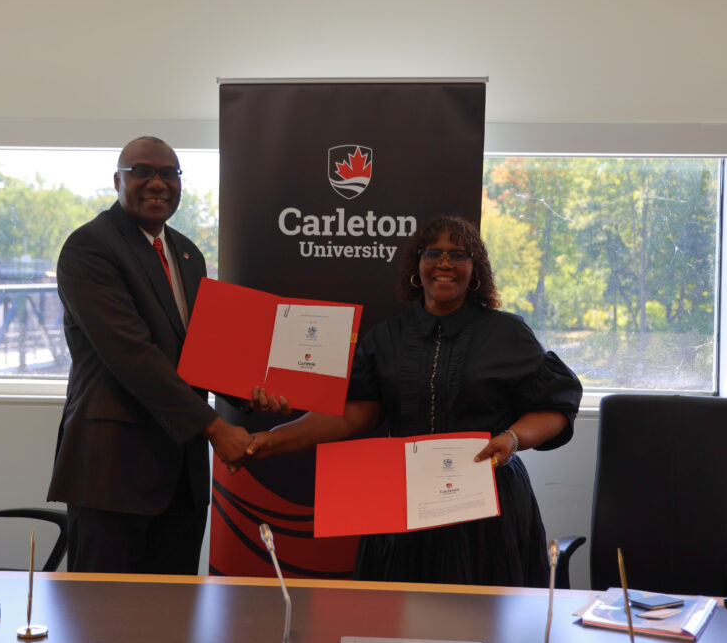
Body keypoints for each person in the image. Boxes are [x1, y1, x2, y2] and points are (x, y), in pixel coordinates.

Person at [247, 214, 582, 586]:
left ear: (475, 270)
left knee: (485, 623)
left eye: (458, 255)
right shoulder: (386, 337)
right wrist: (274, 438)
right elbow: (356, 412)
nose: (444, 264)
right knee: (399, 616)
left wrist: (513, 439)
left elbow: (555, 405)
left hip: (487, 500)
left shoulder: (508, 332)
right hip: (402, 497)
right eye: (433, 253)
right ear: (416, 265)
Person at [47, 136, 253, 574]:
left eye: (168, 173)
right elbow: (132, 355)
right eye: (143, 171)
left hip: (181, 474)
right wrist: (216, 427)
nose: (157, 183)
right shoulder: (90, 248)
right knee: (103, 621)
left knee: (173, 619)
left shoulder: (187, 253)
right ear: (118, 180)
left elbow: (202, 351)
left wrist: (250, 393)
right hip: (115, 472)